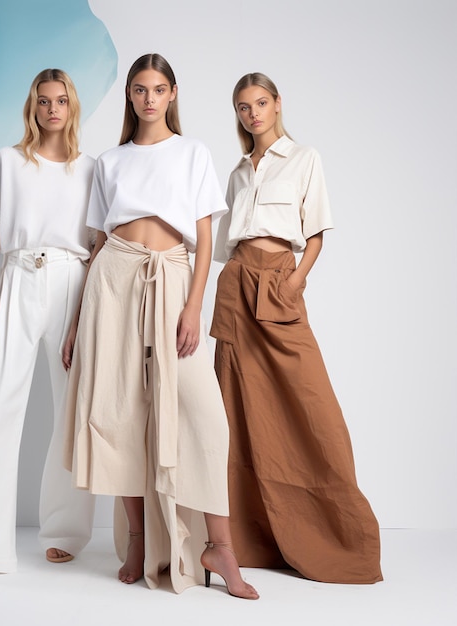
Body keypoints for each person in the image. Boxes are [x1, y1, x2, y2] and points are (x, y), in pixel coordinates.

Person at [62, 53, 259, 599]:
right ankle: (136, 540)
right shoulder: (109, 160)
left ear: (172, 95)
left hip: (172, 280)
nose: (149, 98)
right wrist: (77, 324)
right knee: (121, 410)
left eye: (159, 89)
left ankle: (219, 546)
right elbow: (97, 243)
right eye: (140, 89)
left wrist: (194, 307)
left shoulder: (193, 152)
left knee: (204, 417)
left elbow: (203, 239)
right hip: (114, 281)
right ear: (130, 96)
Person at [211, 72, 383, 584]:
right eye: (243, 107)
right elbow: (224, 242)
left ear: (277, 103)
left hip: (279, 282)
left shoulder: (305, 158)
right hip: (236, 283)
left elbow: (316, 236)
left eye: (260, 103)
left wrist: (294, 284)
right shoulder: (240, 171)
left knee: (312, 405)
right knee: (234, 409)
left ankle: (337, 534)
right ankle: (242, 539)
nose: (253, 114)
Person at [0, 69, 96, 584]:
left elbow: (95, 248)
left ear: (72, 107)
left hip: (73, 285)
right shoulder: (9, 161)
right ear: (33, 106)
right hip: (18, 278)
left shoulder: (90, 169)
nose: (53, 109)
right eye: (44, 101)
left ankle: (65, 532)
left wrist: (80, 320)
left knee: (71, 409)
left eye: (62, 100)